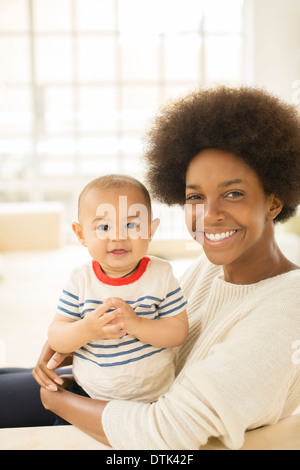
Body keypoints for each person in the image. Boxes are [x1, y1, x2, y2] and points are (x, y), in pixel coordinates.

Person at [1, 86, 300, 451]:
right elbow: (159, 325)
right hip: (108, 384)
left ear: (273, 201)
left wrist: (56, 401)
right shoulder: (213, 267)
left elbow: (165, 431)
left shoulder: (289, 307)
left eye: (233, 193)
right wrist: (73, 338)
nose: (208, 215)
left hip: (117, 411)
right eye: (195, 196)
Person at [47, 174, 188, 405]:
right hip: (90, 396)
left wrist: (137, 324)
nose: (118, 236)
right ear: (82, 235)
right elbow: (56, 337)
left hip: (154, 400)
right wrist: (86, 329)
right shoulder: (80, 281)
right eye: (103, 226)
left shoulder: (161, 275)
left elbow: (178, 332)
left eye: (131, 225)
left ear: (151, 230)